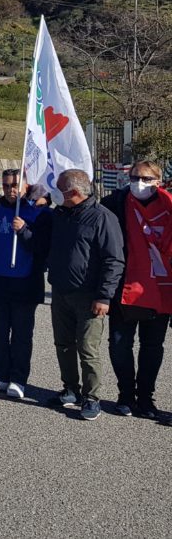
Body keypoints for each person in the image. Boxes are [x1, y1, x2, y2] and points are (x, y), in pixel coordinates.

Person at [47, 169, 124, 421]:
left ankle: (91, 397)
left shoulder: (102, 218)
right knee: (63, 345)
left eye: (60, 189)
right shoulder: (60, 215)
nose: (55, 192)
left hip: (89, 296)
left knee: (88, 348)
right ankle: (70, 389)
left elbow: (113, 260)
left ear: (73, 192)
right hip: (61, 292)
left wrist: (104, 296)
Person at [101, 161, 172, 419]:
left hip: (161, 288)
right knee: (120, 345)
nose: (139, 183)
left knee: (152, 346)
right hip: (125, 286)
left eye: (146, 178)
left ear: (158, 182)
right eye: (134, 177)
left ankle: (146, 398)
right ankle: (125, 395)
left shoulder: (169, 207)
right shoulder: (115, 204)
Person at [0, 169, 52, 400]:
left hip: (24, 283)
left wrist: (24, 231)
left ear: (26, 187)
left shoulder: (39, 213)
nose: (11, 190)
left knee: (21, 335)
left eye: (15, 186)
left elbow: (43, 248)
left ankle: (18, 378)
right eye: (7, 185)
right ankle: (0, 374)